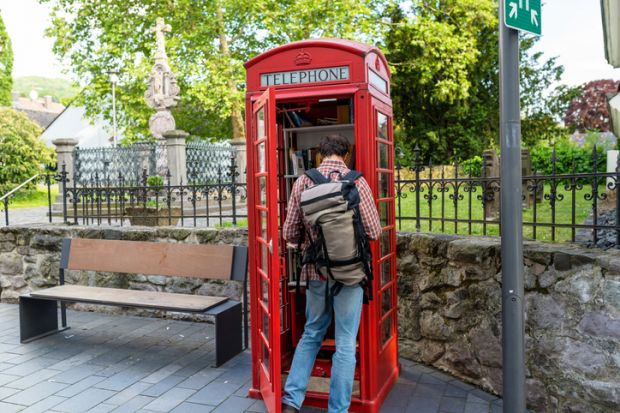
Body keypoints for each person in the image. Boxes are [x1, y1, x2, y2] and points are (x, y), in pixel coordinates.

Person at [281, 134, 382, 413]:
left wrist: (306, 242)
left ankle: (291, 401)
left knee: (312, 332)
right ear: (346, 155)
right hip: (351, 273)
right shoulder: (357, 181)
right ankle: (338, 409)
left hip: (317, 272)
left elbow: (289, 232)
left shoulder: (304, 180)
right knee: (347, 342)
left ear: (318, 155)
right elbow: (374, 231)